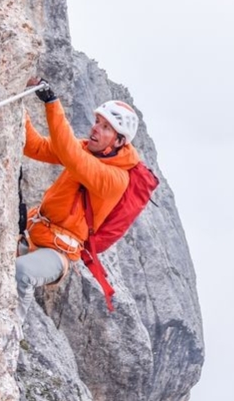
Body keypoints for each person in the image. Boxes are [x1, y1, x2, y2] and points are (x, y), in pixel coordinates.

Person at [16, 76, 142, 296]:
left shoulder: (116, 179)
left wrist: (52, 103)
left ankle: (12, 329)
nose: (95, 129)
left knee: (22, 273)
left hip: (58, 253)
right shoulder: (85, 149)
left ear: (119, 141)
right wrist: (17, 105)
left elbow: (71, 157)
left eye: (105, 128)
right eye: (97, 122)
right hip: (33, 233)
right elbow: (35, 147)